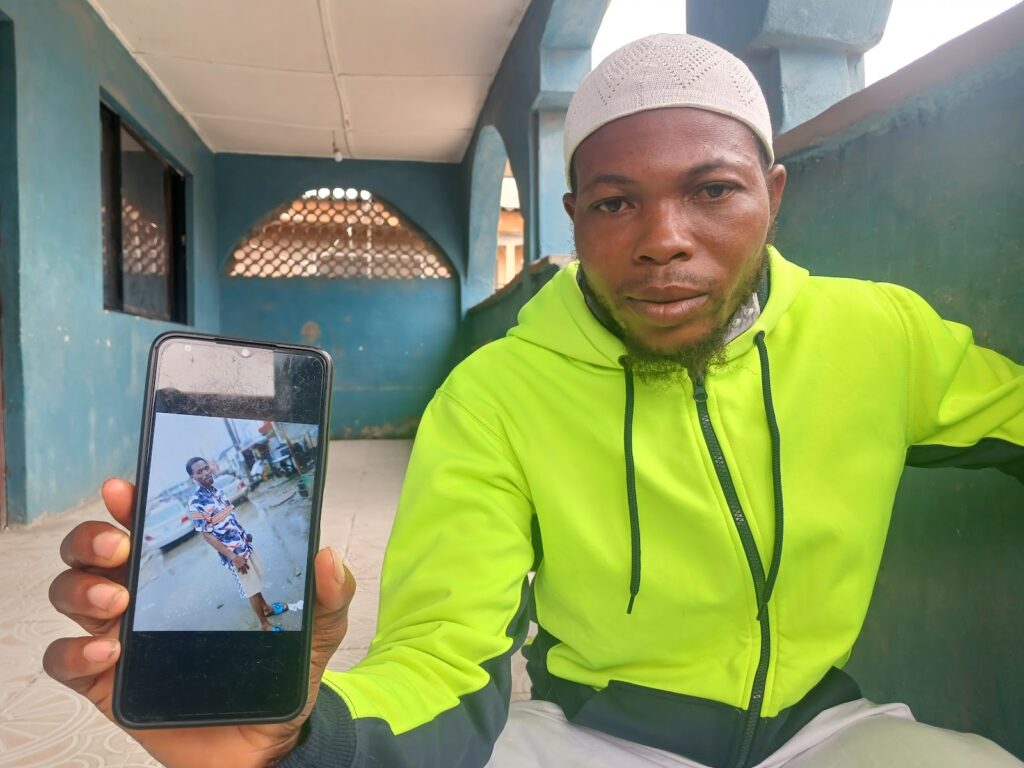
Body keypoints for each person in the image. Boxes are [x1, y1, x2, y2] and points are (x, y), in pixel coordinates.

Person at [44, 33, 1023, 768]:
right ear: (572, 218)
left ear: (771, 193)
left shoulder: (875, 333)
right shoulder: (496, 395)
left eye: (712, 191)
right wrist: (307, 737)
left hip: (828, 730)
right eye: (614, 201)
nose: (661, 238)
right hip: (595, 740)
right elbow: (447, 654)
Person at [185, 456, 286, 632]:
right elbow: (207, 536)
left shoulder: (217, 491)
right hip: (234, 555)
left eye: (206, 468)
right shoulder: (196, 503)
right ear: (193, 478)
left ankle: (267, 608)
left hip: (244, 544)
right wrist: (233, 557)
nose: (205, 473)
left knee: (256, 580)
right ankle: (264, 625)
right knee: (251, 589)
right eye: (199, 472)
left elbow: (229, 518)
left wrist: (244, 535)